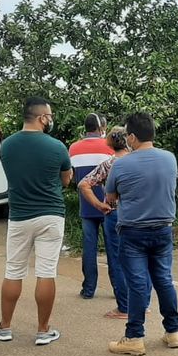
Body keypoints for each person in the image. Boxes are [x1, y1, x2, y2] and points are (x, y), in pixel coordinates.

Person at [0, 97, 71, 346]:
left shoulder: (8, 146)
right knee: (47, 271)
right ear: (41, 118)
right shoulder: (57, 146)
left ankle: (5, 327)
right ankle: (43, 330)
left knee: (14, 270)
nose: (51, 119)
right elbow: (66, 180)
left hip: (20, 215)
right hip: (51, 214)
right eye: (49, 115)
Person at [106, 112, 178, 356]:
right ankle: (173, 333)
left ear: (133, 137)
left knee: (137, 285)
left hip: (133, 232)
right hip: (163, 230)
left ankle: (134, 337)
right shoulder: (170, 158)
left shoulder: (121, 164)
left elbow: (111, 198)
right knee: (164, 280)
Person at [78, 126, 132, 319]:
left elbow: (83, 184)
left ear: (110, 142)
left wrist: (99, 205)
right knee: (139, 258)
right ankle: (142, 303)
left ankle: (124, 307)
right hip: (139, 216)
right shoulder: (139, 161)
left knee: (117, 260)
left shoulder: (109, 164)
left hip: (115, 214)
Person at [69, 113, 115, 298]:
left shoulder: (73, 148)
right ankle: (118, 290)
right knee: (113, 248)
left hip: (87, 205)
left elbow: (71, 177)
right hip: (109, 205)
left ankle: (88, 290)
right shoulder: (109, 147)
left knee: (89, 248)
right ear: (101, 127)